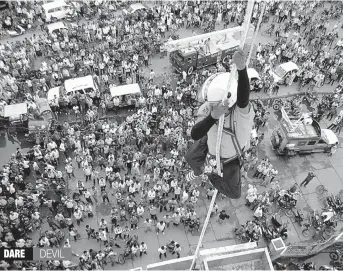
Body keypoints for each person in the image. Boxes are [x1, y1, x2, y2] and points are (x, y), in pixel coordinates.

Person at [185, 49, 254, 199]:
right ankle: (199, 170)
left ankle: (210, 174)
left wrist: (242, 70)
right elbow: (195, 133)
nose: (211, 107)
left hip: (230, 156)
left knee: (234, 192)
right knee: (190, 157)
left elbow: (243, 97)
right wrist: (213, 116)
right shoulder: (209, 108)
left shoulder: (241, 113)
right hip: (211, 140)